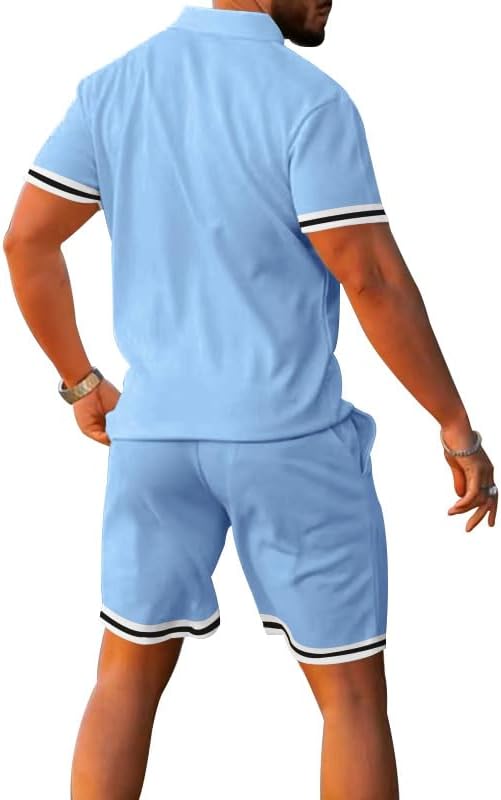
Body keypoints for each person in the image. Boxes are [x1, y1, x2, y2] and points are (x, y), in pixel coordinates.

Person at [3, 1, 497, 798]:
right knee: (350, 698)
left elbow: (26, 239)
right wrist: (454, 426)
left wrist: (81, 382)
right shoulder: (309, 100)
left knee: (124, 678)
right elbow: (369, 276)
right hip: (289, 441)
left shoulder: (113, 87)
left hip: (152, 442)